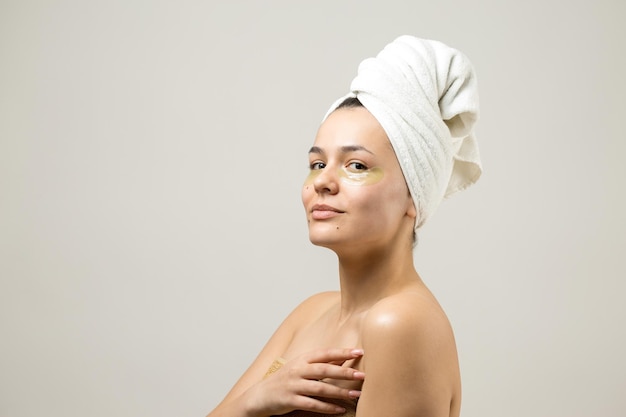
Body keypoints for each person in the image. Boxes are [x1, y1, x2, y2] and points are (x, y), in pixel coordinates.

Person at [206, 35, 481, 417]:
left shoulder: (400, 324)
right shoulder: (311, 312)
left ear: (412, 198)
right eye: (318, 164)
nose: (322, 181)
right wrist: (258, 400)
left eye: (356, 166)